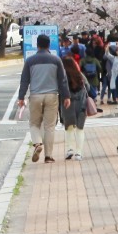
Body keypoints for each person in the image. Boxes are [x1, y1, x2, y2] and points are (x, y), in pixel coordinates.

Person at [16, 34, 70, 164]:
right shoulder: (56, 60)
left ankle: (37, 143)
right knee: (50, 126)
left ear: (37, 45)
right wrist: (66, 96)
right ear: (49, 45)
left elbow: (24, 80)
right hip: (52, 95)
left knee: (34, 123)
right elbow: (62, 80)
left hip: (35, 96)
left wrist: (21, 97)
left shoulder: (30, 61)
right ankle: (49, 156)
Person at [58, 41, 96, 159]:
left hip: (67, 104)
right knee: (80, 129)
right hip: (82, 104)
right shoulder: (79, 75)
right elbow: (88, 87)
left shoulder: (62, 77)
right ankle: (79, 153)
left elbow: (59, 89)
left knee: (69, 128)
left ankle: (69, 149)